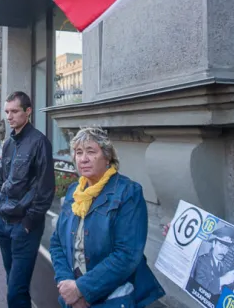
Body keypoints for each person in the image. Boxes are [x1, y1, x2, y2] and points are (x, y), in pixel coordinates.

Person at [49, 127, 164, 308]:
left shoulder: (128, 192)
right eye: (79, 152)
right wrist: (67, 284)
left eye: (91, 152)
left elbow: (127, 254)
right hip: (71, 296)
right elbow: (57, 242)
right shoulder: (74, 192)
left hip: (113, 298)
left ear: (107, 156)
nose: (83, 158)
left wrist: (82, 289)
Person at [0, 91, 55, 308]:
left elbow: (46, 189)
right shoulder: (9, 143)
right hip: (3, 222)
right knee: (13, 284)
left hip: (24, 226)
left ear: (27, 112)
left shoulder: (40, 142)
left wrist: (29, 223)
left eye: (14, 111)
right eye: (7, 111)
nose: (9, 116)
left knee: (16, 291)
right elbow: (3, 177)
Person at [189, 224, 234, 296]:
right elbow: (199, 288)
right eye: (221, 245)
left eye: (227, 248)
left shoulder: (223, 266)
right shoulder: (202, 261)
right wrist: (221, 280)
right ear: (214, 244)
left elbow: (222, 289)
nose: (224, 251)